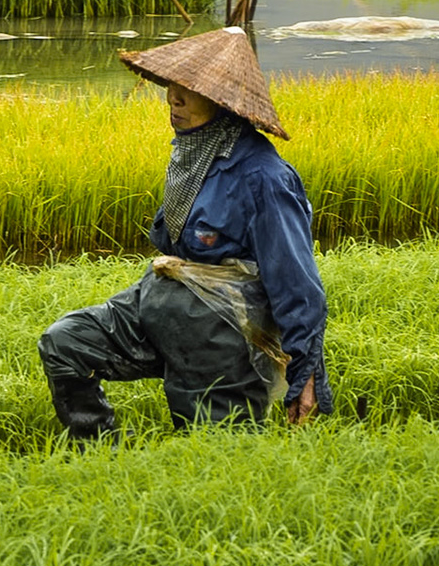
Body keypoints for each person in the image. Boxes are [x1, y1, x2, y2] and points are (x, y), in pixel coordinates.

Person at [38, 25, 332, 438]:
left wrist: (306, 373)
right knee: (65, 342)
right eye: (173, 85)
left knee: (214, 446)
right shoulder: (190, 154)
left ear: (222, 103)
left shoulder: (263, 178)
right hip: (158, 308)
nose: (173, 98)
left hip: (220, 336)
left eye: (189, 90)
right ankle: (100, 454)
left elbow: (296, 282)